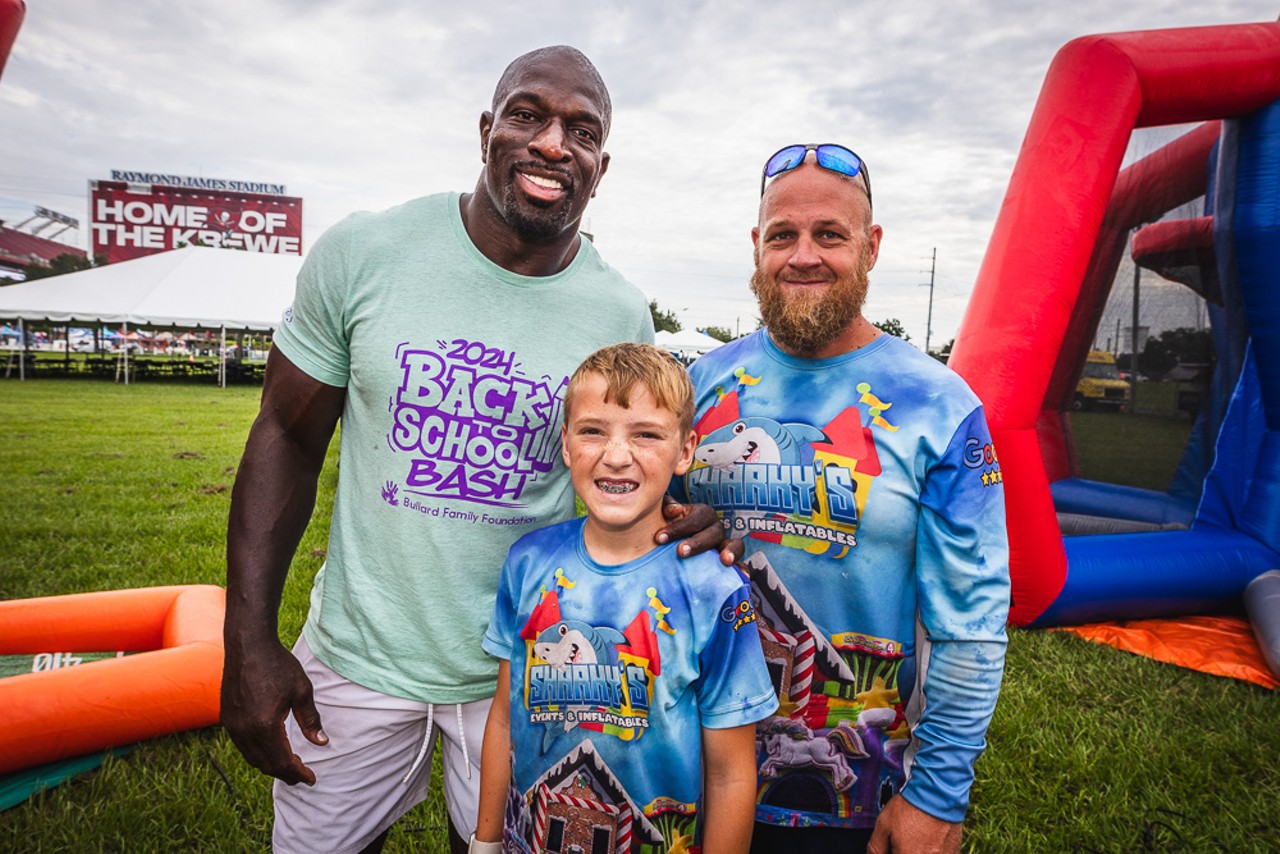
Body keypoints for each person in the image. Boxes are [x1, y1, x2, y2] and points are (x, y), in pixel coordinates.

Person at [221, 46, 734, 854]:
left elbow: (627, 466)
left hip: (527, 668)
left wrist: (686, 516)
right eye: (529, 115)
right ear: (488, 129)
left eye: (583, 130)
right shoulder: (367, 252)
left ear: (602, 167)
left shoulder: (619, 309)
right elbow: (286, 435)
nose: (553, 144)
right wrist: (247, 638)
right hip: (359, 655)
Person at [674, 144, 1010, 853]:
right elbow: (643, 549)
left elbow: (971, 624)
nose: (803, 256)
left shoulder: (939, 405)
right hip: (689, 782)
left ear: (871, 246)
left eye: (829, 234)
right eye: (782, 235)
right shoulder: (697, 386)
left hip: (861, 802)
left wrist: (938, 794)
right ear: (756, 247)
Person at [473, 343, 777, 854]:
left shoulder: (714, 588)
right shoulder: (527, 563)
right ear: (566, 444)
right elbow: (504, 717)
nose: (617, 456)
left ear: (685, 451)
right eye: (592, 431)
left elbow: (730, 773)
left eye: (647, 435)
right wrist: (484, 843)